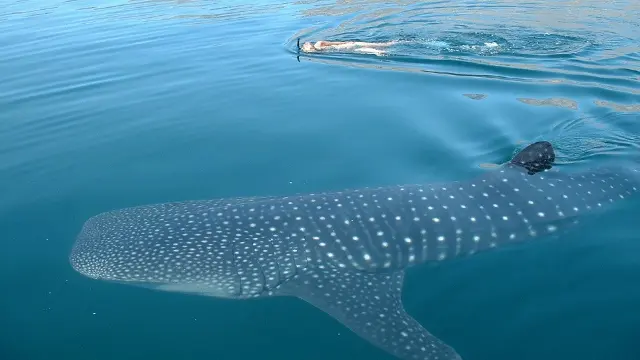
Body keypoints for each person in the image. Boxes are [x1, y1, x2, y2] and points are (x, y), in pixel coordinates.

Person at [299, 39, 397, 56]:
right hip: (349, 48)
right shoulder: (316, 51)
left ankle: (393, 43)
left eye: (306, 44)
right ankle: (378, 52)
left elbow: (336, 43)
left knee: (384, 45)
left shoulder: (319, 44)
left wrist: (347, 42)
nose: (307, 45)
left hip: (348, 46)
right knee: (363, 49)